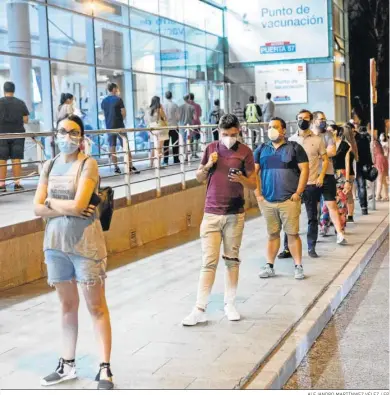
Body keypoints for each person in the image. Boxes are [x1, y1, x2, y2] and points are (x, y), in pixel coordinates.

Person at [33, 115, 113, 390]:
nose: (68, 136)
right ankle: (67, 364)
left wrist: (50, 202)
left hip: (86, 246)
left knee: (96, 307)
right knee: (67, 306)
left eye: (74, 132)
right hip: (55, 245)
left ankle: (105, 368)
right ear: (55, 134)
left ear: (81, 136)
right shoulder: (49, 165)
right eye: (63, 131)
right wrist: (60, 206)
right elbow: (36, 208)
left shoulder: (87, 164)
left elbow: (80, 206)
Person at [182, 114, 256, 326]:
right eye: (225, 134)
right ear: (218, 131)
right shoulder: (211, 149)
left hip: (235, 213)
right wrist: (208, 166)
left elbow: (253, 184)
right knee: (209, 261)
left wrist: (241, 178)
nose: (229, 138)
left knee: (232, 260)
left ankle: (230, 303)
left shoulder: (245, 152)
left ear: (239, 131)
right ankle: (199, 308)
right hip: (212, 213)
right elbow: (198, 177)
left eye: (233, 134)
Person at [255, 117, 309, 280]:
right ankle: (269, 266)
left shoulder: (294, 148)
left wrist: (298, 193)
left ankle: (298, 266)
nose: (271, 129)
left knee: (292, 234)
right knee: (272, 234)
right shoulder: (261, 149)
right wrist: (258, 194)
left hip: (289, 200)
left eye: (275, 127)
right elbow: (253, 173)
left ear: (283, 130)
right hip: (268, 201)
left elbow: (305, 170)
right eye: (269, 127)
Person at [278, 109, 328, 259]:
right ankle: (287, 248)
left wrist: (321, 177)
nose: (302, 121)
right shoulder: (291, 140)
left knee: (312, 217)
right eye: (300, 118)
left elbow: (325, 160)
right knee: (290, 217)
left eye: (306, 118)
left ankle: (311, 247)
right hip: (293, 187)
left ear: (311, 121)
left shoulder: (318, 140)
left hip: (312, 184)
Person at [312, 111, 347, 244]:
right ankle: (314, 234)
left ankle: (340, 233)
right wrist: (323, 154)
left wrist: (316, 154)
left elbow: (332, 151)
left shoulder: (328, 135)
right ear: (314, 121)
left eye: (324, 119)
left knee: (332, 204)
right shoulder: (309, 136)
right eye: (321, 119)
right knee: (313, 208)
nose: (323, 121)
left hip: (327, 174)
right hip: (312, 175)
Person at [320, 125, 353, 234]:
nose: (328, 132)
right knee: (326, 202)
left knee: (341, 202)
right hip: (328, 173)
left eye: (330, 130)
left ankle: (340, 227)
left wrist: (348, 181)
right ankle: (324, 225)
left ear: (336, 131)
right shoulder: (324, 144)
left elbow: (348, 163)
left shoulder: (345, 145)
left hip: (340, 174)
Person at [101, 82, 138, 175]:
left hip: (109, 127)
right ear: (113, 89)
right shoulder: (118, 99)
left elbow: (104, 113)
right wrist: (121, 119)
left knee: (112, 147)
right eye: (117, 89)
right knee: (125, 145)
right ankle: (130, 166)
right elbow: (124, 112)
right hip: (119, 126)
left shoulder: (104, 101)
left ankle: (116, 167)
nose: (117, 91)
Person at [0, 81, 29, 193]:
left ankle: (2, 185)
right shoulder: (20, 103)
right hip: (18, 134)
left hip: (2, 135)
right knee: (16, 159)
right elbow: (26, 120)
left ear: (4, 90)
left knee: (2, 159)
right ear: (13, 90)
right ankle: (17, 184)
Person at [353, 121, 373, 214]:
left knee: (361, 186)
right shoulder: (346, 139)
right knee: (360, 186)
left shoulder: (362, 138)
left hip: (360, 165)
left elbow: (367, 152)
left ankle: (364, 207)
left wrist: (369, 164)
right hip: (351, 166)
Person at [147, 96, 169, 168]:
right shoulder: (159, 109)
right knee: (159, 148)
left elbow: (147, 120)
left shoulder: (149, 109)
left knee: (154, 147)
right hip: (160, 129)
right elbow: (165, 117)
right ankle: (158, 164)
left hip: (152, 129)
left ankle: (151, 164)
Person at [163, 91, 180, 165]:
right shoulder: (175, 105)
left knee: (165, 144)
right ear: (171, 96)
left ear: (165, 97)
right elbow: (178, 117)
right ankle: (176, 159)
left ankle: (165, 160)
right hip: (174, 126)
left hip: (165, 127)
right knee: (175, 143)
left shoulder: (163, 105)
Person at [179, 94, 196, 161]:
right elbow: (195, 117)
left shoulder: (180, 107)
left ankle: (183, 156)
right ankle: (186, 156)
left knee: (183, 141)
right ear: (189, 98)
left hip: (182, 126)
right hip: (190, 127)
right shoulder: (192, 107)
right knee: (188, 141)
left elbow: (178, 117)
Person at [373, 132, 389, 201]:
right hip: (383, 160)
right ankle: (386, 196)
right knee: (383, 180)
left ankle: (377, 196)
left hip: (379, 161)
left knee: (379, 180)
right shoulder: (378, 143)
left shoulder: (373, 143)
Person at [189, 93, 202, 159]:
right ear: (193, 98)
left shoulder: (187, 106)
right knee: (196, 138)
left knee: (190, 139)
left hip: (189, 124)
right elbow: (200, 115)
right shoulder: (198, 105)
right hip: (197, 123)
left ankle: (192, 153)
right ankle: (195, 153)